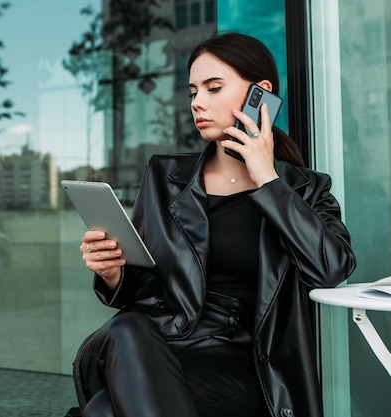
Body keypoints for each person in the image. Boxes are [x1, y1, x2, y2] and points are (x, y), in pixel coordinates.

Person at [71, 32, 357, 417]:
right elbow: (140, 287)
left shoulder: (305, 189)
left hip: (242, 362)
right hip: (155, 341)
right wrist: (111, 272)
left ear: (260, 93)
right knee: (130, 327)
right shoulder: (164, 176)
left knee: (104, 412)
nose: (198, 103)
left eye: (213, 87)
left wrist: (268, 181)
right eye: (193, 92)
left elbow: (330, 269)